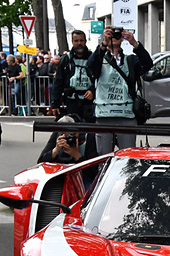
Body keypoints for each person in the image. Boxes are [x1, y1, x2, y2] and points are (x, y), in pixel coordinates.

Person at [87, 26, 153, 154]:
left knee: (127, 156)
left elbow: (147, 64)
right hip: (104, 114)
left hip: (126, 114)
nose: (114, 37)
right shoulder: (100, 59)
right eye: (111, 34)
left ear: (122, 38)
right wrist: (104, 44)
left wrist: (134, 43)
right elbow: (90, 66)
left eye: (117, 34)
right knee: (103, 156)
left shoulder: (130, 60)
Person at [38, 114, 99, 189]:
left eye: (73, 134)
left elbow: (94, 172)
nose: (70, 139)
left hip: (83, 177)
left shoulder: (88, 137)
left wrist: (78, 156)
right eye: (66, 136)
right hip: (60, 177)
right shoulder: (57, 136)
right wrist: (56, 150)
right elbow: (41, 162)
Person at [51, 30, 94, 121]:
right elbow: (58, 82)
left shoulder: (93, 58)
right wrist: (55, 104)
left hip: (89, 102)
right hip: (71, 102)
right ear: (72, 42)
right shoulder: (66, 59)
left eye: (81, 40)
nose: (79, 43)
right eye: (76, 41)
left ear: (85, 41)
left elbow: (100, 78)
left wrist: (92, 90)